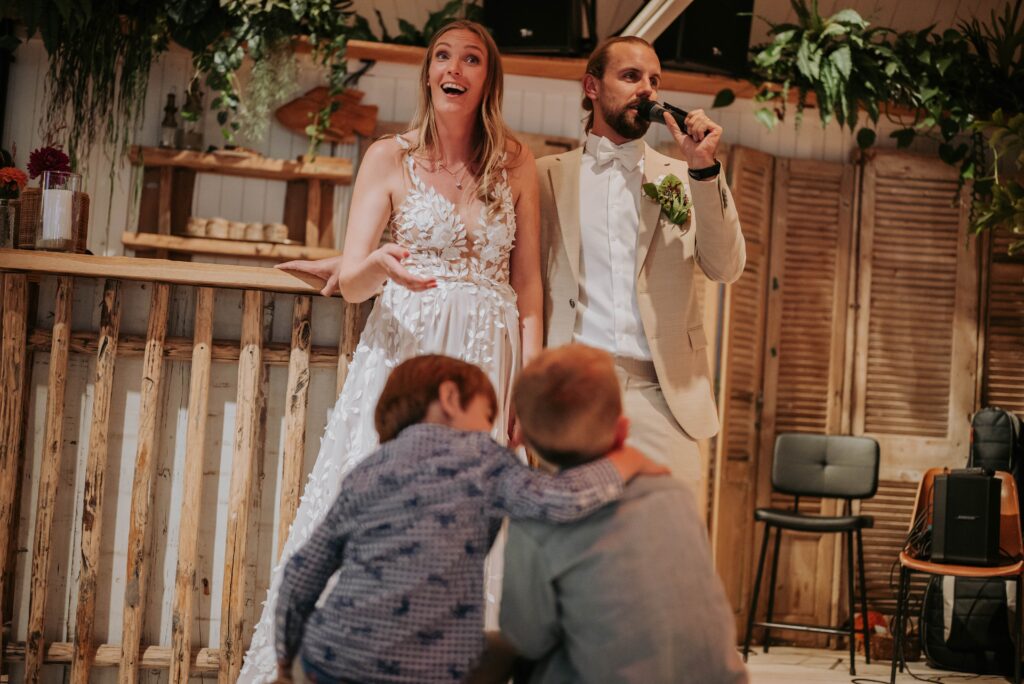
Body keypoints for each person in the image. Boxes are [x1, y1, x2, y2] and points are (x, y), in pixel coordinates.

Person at [239, 20, 542, 682]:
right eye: (442, 56)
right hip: (405, 360)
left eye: (470, 59)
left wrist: (527, 387)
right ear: (428, 73)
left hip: (487, 372)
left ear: (487, 79)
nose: (452, 67)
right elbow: (350, 284)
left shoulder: (518, 163)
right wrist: (378, 264)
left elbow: (530, 288)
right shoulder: (387, 157)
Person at [273, 354, 664, 683]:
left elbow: (299, 576)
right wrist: (625, 461)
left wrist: (285, 664)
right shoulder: (483, 458)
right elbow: (560, 500)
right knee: (526, 647)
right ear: (449, 396)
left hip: (333, 662)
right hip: (429, 673)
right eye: (488, 413)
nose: (491, 427)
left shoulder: (366, 473)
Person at [537, 36, 745, 505]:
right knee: (573, 555)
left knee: (665, 559)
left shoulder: (686, 175)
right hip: (569, 396)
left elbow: (727, 267)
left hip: (662, 397)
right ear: (592, 86)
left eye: (655, 80)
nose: (647, 90)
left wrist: (704, 172)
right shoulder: (543, 176)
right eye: (631, 77)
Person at [486, 344, 749, 684]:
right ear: (623, 430)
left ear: (523, 438)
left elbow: (526, 636)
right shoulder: (675, 496)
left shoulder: (539, 519)